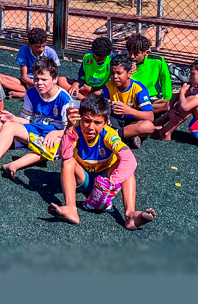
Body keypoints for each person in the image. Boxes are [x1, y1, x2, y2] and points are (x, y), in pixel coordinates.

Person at [47, 94, 156, 230]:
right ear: (80, 117)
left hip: (105, 179)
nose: (91, 127)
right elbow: (64, 154)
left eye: (97, 122)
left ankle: (130, 215)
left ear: (106, 122)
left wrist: (110, 184)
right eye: (86, 121)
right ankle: (71, 208)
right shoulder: (75, 129)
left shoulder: (109, 134)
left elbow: (130, 160)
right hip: (83, 178)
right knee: (68, 161)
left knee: (127, 167)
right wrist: (69, 127)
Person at [0, 58, 71, 177]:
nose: (39, 83)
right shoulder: (31, 93)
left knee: (51, 145)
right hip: (37, 129)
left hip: (57, 134)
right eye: (36, 79)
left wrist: (56, 134)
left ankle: (14, 165)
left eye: (44, 79)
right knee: (9, 126)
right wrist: (13, 119)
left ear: (55, 79)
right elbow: (28, 121)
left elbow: (73, 130)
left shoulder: (65, 100)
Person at [100, 54, 155, 148]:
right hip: (114, 120)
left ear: (129, 73)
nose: (115, 76)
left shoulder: (139, 89)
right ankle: (130, 137)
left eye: (119, 73)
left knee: (148, 126)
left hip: (133, 122)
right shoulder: (109, 86)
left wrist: (129, 111)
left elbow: (150, 117)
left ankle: (116, 135)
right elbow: (102, 109)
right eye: (112, 73)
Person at [0, 27, 61, 99]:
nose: (41, 49)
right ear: (29, 45)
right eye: (37, 47)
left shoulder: (50, 52)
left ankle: (25, 94)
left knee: (60, 82)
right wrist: (36, 85)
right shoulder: (24, 50)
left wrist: (42, 83)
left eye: (43, 46)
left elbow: (54, 76)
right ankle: (30, 93)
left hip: (44, 82)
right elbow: (24, 77)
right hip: (28, 82)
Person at [126, 33, 173, 114]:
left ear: (147, 53)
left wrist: (168, 97)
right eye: (130, 53)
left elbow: (165, 80)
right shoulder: (124, 62)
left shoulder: (158, 61)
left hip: (152, 97)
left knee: (172, 105)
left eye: (136, 54)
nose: (132, 57)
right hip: (132, 97)